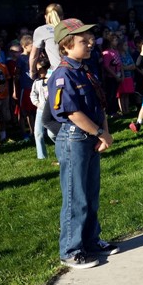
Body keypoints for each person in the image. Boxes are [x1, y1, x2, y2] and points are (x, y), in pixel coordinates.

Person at [48, 18, 118, 270]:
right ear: (66, 46)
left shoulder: (85, 69)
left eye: (89, 39)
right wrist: (100, 132)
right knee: (75, 195)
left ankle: (90, 240)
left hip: (91, 136)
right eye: (82, 41)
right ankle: (71, 249)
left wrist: (104, 133)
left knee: (90, 194)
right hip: (75, 138)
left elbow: (99, 104)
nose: (90, 43)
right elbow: (71, 113)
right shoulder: (63, 74)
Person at [30, 3, 64, 78]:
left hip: (57, 72)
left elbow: (34, 56)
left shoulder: (41, 30)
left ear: (46, 16)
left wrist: (32, 72)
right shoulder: (71, 28)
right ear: (62, 16)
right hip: (76, 70)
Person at [30, 58, 51, 159]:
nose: (37, 71)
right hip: (41, 110)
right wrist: (37, 104)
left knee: (53, 134)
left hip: (53, 111)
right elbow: (33, 94)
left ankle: (64, 150)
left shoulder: (53, 80)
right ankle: (41, 156)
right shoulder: (37, 82)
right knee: (38, 133)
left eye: (39, 69)